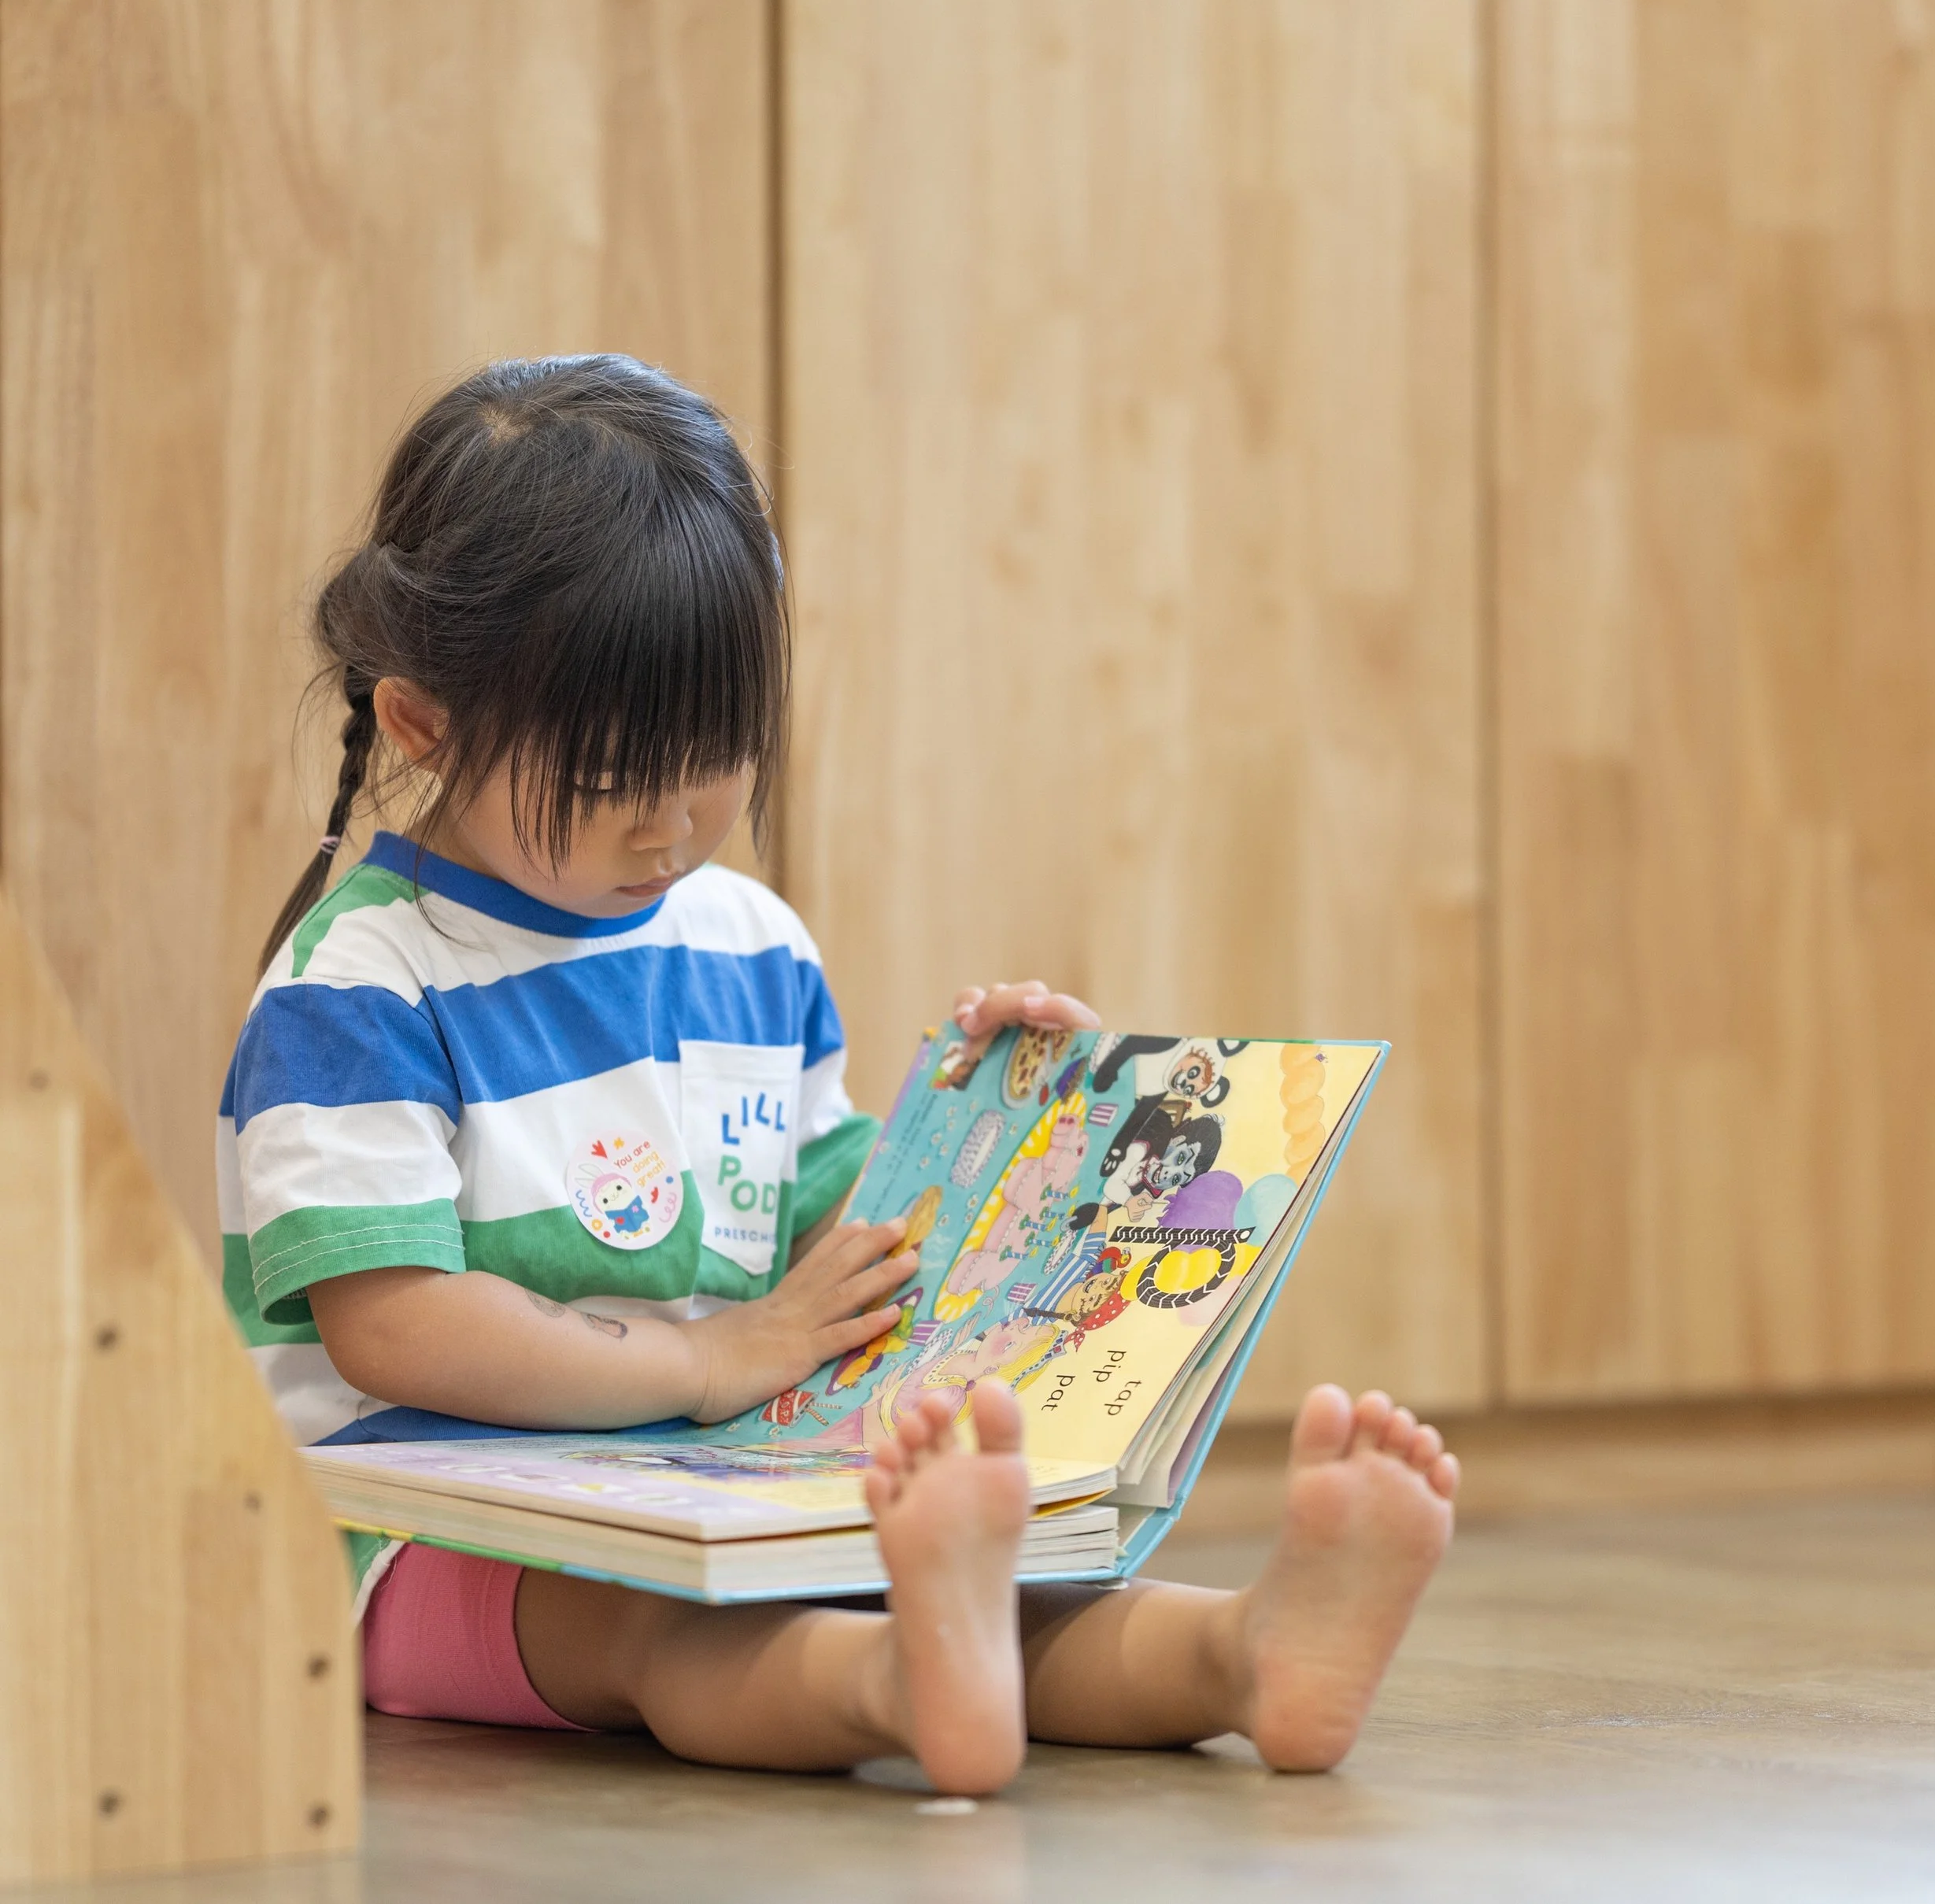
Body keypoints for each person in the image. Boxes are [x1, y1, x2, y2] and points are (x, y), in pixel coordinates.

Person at [221, 354, 1459, 1797]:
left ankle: (1244, 1655)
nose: (676, 825)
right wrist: (702, 1363)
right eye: (618, 777)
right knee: (657, 1630)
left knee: (951, 1578)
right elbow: (400, 1332)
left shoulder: (750, 946)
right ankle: (899, 1685)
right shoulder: (362, 983)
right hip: (415, 1532)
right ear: (426, 723)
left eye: (719, 756)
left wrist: (998, 1123)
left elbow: (841, 1244)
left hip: (703, 1472)